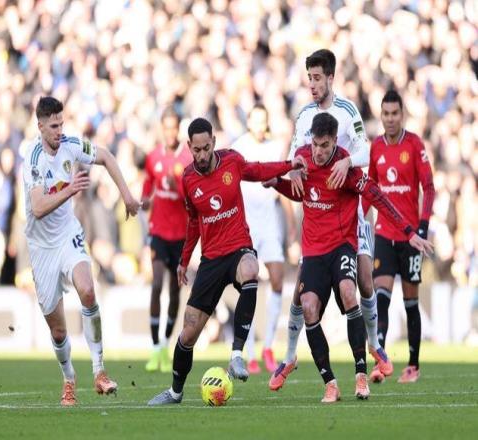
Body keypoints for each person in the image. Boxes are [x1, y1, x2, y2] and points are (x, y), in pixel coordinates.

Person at [267, 113, 433, 402]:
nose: (319, 151)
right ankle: (329, 382)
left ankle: (361, 374)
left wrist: (409, 231)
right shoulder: (303, 158)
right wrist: (275, 182)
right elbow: (300, 191)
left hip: (343, 244)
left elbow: (378, 196)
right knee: (307, 306)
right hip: (313, 250)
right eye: (315, 144)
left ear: (335, 141)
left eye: (325, 145)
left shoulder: (346, 166)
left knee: (351, 290)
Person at [147, 117, 306, 405]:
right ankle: (175, 392)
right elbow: (193, 222)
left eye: (206, 148)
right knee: (189, 332)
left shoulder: (231, 161)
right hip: (210, 259)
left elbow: (257, 170)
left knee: (251, 269)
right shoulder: (188, 179)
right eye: (196, 150)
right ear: (189, 147)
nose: (202, 155)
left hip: (238, 248)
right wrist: (184, 260)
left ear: (213, 142)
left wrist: (288, 165)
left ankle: (236, 355)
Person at [270, 48, 393, 391]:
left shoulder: (348, 110)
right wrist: (294, 169)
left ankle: (374, 344)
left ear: (330, 78)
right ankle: (290, 355)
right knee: (301, 293)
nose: (312, 84)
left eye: (317, 78)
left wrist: (347, 161)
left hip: (351, 212)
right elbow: (294, 154)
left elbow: (368, 152)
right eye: (308, 78)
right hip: (316, 213)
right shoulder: (305, 115)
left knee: (364, 280)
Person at [22, 96, 141, 406]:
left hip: (68, 235)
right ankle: (69, 378)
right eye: (53, 126)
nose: (59, 131)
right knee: (58, 331)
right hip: (41, 248)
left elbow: (107, 157)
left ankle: (99, 371)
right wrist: (70, 189)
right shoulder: (33, 159)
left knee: (88, 290)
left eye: (61, 124)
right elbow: (38, 207)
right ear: (40, 126)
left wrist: (127, 196)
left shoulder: (71, 145)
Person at [363, 90, 435, 383]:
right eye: (386, 114)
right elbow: (369, 189)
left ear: (402, 115)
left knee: (410, 302)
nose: (390, 119)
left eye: (395, 113)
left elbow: (429, 187)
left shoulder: (414, 144)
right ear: (380, 115)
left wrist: (423, 227)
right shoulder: (376, 147)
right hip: (383, 234)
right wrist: (358, 220)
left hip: (410, 239)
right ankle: (380, 362)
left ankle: (413, 365)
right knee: (380, 298)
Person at [232, 104, 297, 374]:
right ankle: (249, 352)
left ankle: (268, 346)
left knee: (278, 279)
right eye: (255, 121)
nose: (259, 126)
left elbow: (282, 188)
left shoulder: (275, 147)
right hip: (247, 225)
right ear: (249, 122)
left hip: (270, 224)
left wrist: (292, 229)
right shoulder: (238, 147)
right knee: (248, 285)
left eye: (263, 121)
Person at [141, 107, 192, 373]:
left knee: (174, 291)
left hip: (180, 235)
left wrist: (178, 188)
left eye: (174, 128)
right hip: (158, 231)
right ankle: (154, 347)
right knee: (157, 283)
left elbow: (192, 197)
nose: (170, 133)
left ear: (178, 129)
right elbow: (148, 184)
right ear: (162, 129)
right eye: (167, 128)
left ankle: (165, 343)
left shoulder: (187, 158)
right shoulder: (153, 158)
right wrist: (144, 199)